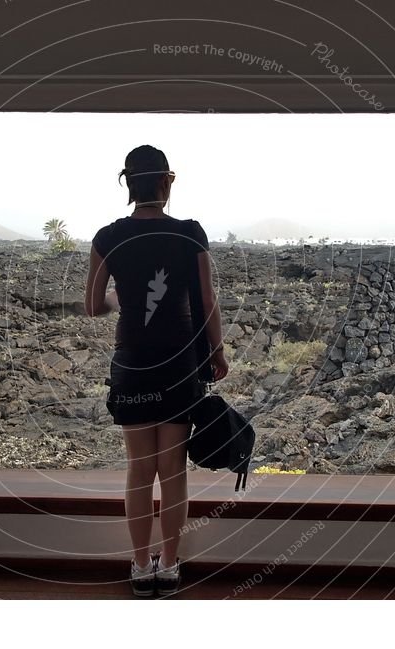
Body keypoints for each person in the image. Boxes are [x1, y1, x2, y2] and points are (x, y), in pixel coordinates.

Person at [84, 144, 229, 597]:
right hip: (180, 361)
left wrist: (121, 300)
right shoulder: (190, 233)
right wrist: (218, 354)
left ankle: (140, 565)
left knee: (138, 470)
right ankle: (169, 564)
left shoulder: (107, 236)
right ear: (168, 181)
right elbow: (206, 302)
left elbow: (93, 305)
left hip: (132, 363)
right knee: (174, 470)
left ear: (128, 184)